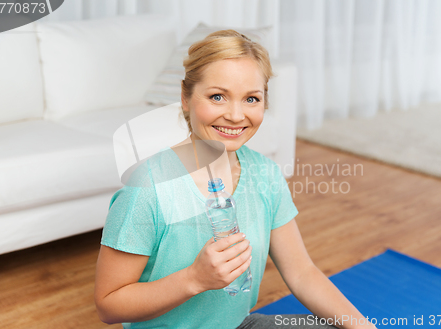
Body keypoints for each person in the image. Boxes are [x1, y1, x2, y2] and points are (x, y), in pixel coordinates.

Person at [94, 29, 377, 329]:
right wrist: (194, 279)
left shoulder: (265, 174)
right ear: (185, 97)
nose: (235, 115)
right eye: (218, 96)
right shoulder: (147, 189)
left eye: (251, 99)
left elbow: (302, 272)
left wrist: (361, 327)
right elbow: (109, 305)